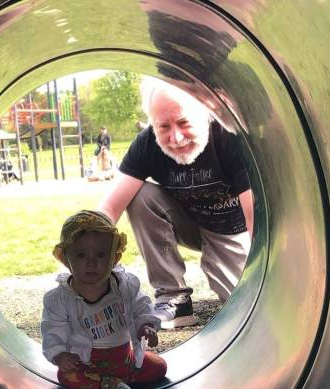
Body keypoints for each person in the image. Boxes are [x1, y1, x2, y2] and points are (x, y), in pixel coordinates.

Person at [99, 80, 253, 329]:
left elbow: (254, 216)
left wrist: (268, 274)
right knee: (140, 195)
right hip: (186, 221)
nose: (176, 137)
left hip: (230, 228)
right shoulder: (147, 144)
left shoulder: (229, 137)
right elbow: (110, 207)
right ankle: (173, 298)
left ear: (205, 112)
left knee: (248, 305)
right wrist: (82, 243)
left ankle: (238, 281)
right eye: (163, 126)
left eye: (184, 123)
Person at [41, 210, 167, 389]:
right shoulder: (60, 298)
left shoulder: (123, 285)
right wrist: (59, 353)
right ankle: (107, 384)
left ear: (114, 258)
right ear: (66, 258)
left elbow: (140, 305)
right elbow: (53, 328)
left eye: (101, 255)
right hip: (86, 364)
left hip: (124, 359)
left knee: (159, 367)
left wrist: (145, 324)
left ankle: (114, 383)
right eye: (81, 255)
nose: (91, 262)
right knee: (66, 376)